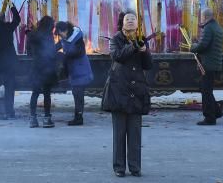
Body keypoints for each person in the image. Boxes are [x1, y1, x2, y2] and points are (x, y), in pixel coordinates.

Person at [103, 11, 152, 177]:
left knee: (135, 133)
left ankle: (135, 167)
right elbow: (117, 56)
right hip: (119, 90)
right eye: (127, 19)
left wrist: (145, 51)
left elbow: (148, 65)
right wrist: (133, 47)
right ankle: (119, 167)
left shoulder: (141, 38)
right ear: (122, 23)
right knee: (119, 133)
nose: (130, 21)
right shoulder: (116, 39)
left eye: (133, 19)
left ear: (137, 23)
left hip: (136, 91)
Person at [55, 21, 94, 126]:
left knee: (78, 95)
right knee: (76, 94)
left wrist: (65, 55)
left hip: (81, 70)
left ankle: (79, 118)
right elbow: (57, 46)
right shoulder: (65, 38)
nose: (60, 36)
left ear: (66, 30)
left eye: (60, 33)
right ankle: (78, 116)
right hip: (74, 70)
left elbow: (80, 52)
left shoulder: (77, 39)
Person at [190, 8, 223, 125]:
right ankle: (217, 112)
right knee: (206, 89)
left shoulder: (208, 28)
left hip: (208, 65)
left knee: (206, 91)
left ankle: (210, 117)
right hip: (214, 63)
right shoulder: (217, 27)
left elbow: (203, 45)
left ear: (205, 17)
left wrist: (193, 47)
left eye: (201, 17)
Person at [27, 16, 58, 128]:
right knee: (46, 94)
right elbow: (51, 53)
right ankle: (46, 119)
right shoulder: (48, 35)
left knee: (35, 93)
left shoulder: (32, 35)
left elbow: (28, 53)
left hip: (36, 67)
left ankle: (33, 119)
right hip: (46, 68)